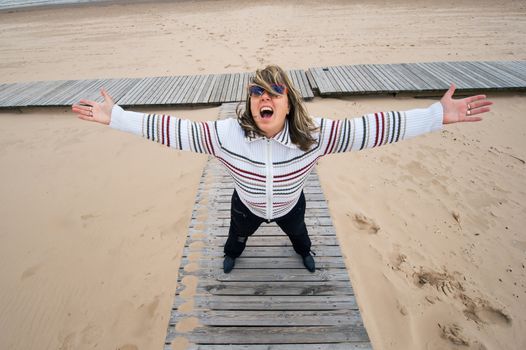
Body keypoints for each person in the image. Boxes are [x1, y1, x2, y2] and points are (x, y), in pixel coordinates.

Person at [71, 65, 492, 274]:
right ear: (251, 103)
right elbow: (171, 129)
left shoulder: (315, 136)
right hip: (247, 207)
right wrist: (118, 117)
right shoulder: (225, 137)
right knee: (234, 240)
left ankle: (303, 251)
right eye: (256, 91)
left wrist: (437, 115)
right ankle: (232, 254)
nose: (264, 96)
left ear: (289, 102)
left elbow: (375, 128)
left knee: (301, 235)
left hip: (291, 205)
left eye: (275, 91)